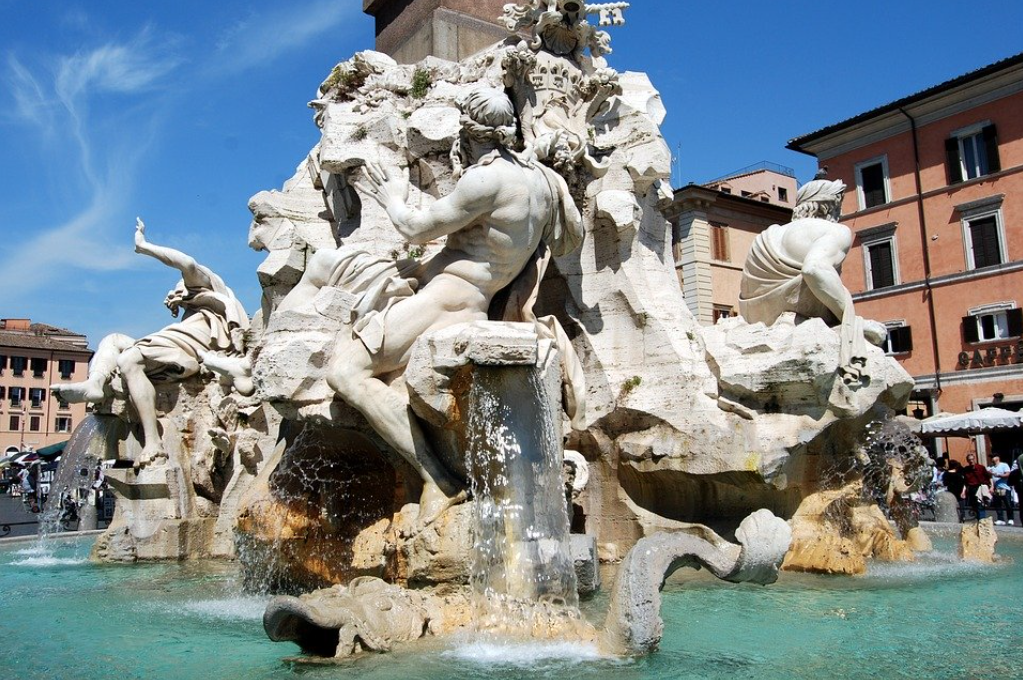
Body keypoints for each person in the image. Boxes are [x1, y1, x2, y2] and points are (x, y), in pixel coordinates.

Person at [277, 87, 584, 525]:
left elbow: (414, 228)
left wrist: (393, 195)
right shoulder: (541, 183)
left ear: (470, 134)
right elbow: (560, 238)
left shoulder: (487, 179)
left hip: (447, 301)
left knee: (344, 372)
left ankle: (437, 477)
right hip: (470, 297)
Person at [53, 219, 251, 466]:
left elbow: (186, 263)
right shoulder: (189, 314)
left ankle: (153, 442)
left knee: (128, 358)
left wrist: (144, 246)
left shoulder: (207, 291)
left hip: (186, 353)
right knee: (113, 339)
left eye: (177, 288)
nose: (172, 293)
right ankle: (94, 383)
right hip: (167, 348)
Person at [738, 172, 886, 382]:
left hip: (758, 317)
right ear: (827, 207)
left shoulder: (767, 235)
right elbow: (814, 269)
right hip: (802, 313)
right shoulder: (835, 230)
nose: (839, 213)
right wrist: (850, 320)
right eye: (838, 207)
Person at [962, 453, 991, 522]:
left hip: (980, 487)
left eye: (972, 459)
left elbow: (989, 477)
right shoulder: (966, 469)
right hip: (972, 488)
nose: (971, 461)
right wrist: (963, 492)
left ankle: (982, 520)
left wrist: (991, 486)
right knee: (974, 506)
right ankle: (978, 519)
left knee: (980, 505)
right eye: (969, 460)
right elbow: (965, 482)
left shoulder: (981, 467)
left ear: (975, 459)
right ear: (967, 461)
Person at [988, 454, 1012, 525]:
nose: (992, 458)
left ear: (998, 458)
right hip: (997, 488)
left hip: (1005, 487)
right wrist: (992, 486)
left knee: (1008, 504)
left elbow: (1008, 474)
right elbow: (990, 478)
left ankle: (1010, 518)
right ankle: (1000, 519)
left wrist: (998, 475)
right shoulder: (991, 467)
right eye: (991, 457)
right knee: (998, 504)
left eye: (993, 457)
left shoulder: (1004, 465)